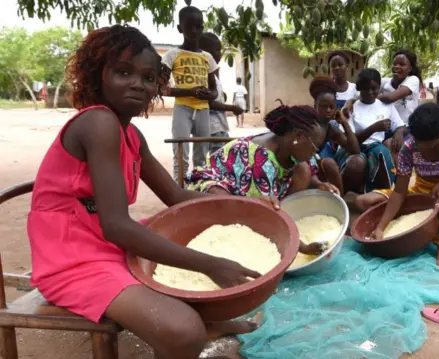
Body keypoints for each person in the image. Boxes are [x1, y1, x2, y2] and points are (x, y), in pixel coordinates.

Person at [27, 25, 261, 359]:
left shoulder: (132, 135)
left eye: (149, 78)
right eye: (124, 72)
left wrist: (247, 206)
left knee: (188, 226)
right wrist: (210, 264)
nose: (138, 83)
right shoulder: (98, 124)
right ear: (98, 74)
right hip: (70, 258)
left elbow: (177, 198)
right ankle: (198, 330)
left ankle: (208, 324)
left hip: (105, 243)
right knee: (183, 332)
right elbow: (117, 226)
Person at [185, 103, 339, 253]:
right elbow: (262, 215)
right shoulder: (261, 160)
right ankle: (281, 233)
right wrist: (301, 247)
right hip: (214, 187)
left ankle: (286, 218)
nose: (316, 153)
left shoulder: (290, 146)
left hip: (251, 189)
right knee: (228, 202)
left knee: (304, 169)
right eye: (315, 147)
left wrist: (319, 184)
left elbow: (307, 173)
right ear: (298, 135)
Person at [355, 104, 439, 267]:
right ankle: (407, 228)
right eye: (416, 138)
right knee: (364, 201)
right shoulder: (409, 147)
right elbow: (399, 192)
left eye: (424, 141)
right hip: (420, 193)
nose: (418, 144)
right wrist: (382, 227)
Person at [162, 4, 219, 182]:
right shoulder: (172, 55)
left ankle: (198, 190)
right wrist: (190, 91)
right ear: (180, 28)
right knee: (180, 154)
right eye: (190, 26)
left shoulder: (208, 58)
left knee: (202, 158)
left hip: (203, 111)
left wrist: (209, 95)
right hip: (183, 109)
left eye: (200, 26)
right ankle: (179, 194)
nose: (195, 31)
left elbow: (214, 90)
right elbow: (162, 88)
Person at [335, 68, 405, 193]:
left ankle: (386, 191)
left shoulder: (385, 105)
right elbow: (351, 145)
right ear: (358, 88)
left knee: (382, 152)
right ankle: (341, 193)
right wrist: (373, 128)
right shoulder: (350, 109)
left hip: (374, 148)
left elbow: (400, 125)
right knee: (358, 161)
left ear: (379, 87)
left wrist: (399, 133)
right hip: (352, 151)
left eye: (374, 88)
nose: (371, 92)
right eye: (366, 88)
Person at [309, 76, 365, 195]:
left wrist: (344, 122)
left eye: (332, 107)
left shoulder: (330, 128)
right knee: (329, 163)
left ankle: (339, 198)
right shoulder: (310, 125)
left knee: (357, 161)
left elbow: (355, 150)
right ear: (315, 106)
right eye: (324, 106)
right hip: (302, 169)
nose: (328, 110)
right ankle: (340, 200)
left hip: (315, 170)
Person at [199, 32, 243, 154]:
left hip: (220, 126)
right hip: (212, 128)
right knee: (217, 162)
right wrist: (231, 107)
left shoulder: (212, 75)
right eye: (218, 50)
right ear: (206, 53)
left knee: (226, 158)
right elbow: (208, 103)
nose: (220, 54)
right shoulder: (202, 75)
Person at [378, 49, 423, 126]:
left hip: (408, 127)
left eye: (402, 64)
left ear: (410, 69)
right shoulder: (384, 83)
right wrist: (352, 100)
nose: (396, 67)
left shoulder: (413, 80)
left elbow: (390, 98)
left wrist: (372, 96)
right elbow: (363, 89)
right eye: (394, 64)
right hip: (388, 128)